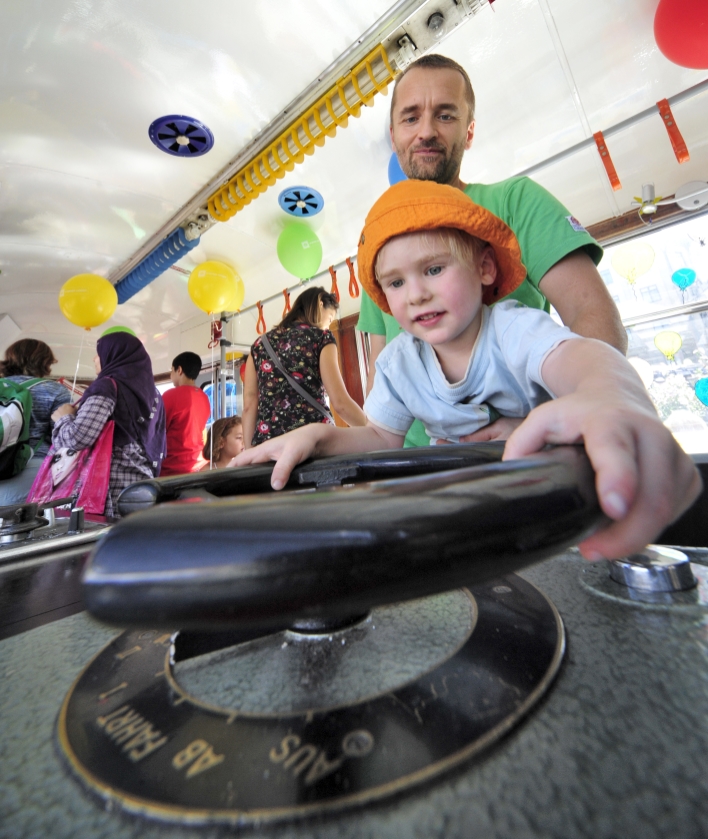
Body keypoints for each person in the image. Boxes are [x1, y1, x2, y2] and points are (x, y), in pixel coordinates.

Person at [235, 180, 701, 563]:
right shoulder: (399, 363)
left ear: (483, 267)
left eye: (433, 269)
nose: (415, 293)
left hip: (543, 502)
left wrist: (609, 394)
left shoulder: (513, 328)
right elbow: (378, 437)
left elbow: (583, 361)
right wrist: (319, 437)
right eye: (396, 282)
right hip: (465, 511)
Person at [358, 53, 627, 447]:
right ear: (395, 133)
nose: (426, 131)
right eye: (411, 117)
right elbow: (379, 373)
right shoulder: (382, 239)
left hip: (530, 453)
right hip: (420, 472)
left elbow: (596, 322)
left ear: (468, 131)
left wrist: (544, 422)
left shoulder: (518, 201)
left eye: (446, 115)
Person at [50, 331, 166, 518]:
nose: (95, 358)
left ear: (113, 355)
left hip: (109, 489)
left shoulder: (107, 386)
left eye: (99, 352)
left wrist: (63, 418)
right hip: (142, 485)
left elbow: (78, 438)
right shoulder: (154, 393)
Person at [242, 286, 366, 447]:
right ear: (320, 304)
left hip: (268, 444)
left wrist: (250, 450)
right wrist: (372, 431)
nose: (328, 326)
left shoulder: (259, 344)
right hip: (312, 440)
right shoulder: (321, 338)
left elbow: (249, 403)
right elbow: (340, 403)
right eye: (329, 319)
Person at [0, 339, 71, 505]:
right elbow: (62, 437)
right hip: (31, 468)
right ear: (44, 362)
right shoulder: (56, 391)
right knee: (27, 526)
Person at [161, 351, 211, 476]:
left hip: (172, 468)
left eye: (172, 371)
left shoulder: (170, 396)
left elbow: (157, 432)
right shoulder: (204, 397)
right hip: (199, 466)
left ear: (179, 370)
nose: (171, 375)